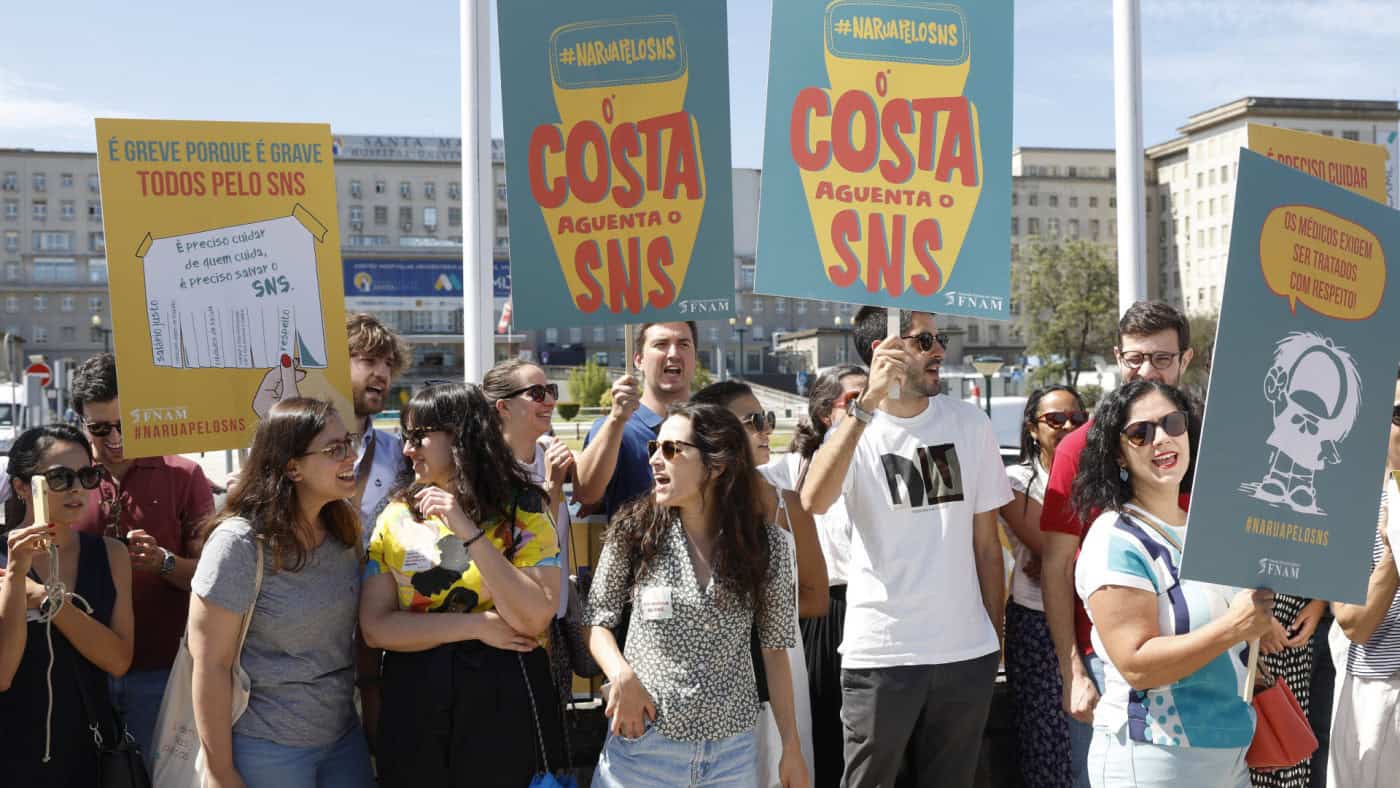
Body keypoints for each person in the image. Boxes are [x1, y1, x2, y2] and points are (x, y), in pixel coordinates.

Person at [801, 307, 1011, 788]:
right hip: (882, 654)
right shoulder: (853, 432)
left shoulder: (970, 424)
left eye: (939, 338)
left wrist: (993, 641)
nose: (939, 350)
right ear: (884, 352)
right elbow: (814, 500)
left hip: (966, 654)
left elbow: (986, 546)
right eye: (923, 341)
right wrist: (865, 405)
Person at [586, 402, 807, 788]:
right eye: (655, 447)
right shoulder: (634, 531)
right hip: (642, 749)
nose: (655, 459)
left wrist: (791, 746)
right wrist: (621, 675)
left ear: (717, 465)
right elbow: (597, 620)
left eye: (672, 450)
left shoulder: (765, 544)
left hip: (733, 757)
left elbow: (775, 649)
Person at [1072, 380, 1278, 787]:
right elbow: (1135, 664)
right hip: (1153, 756)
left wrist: (1258, 631)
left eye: (1172, 423)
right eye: (1140, 432)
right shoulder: (1114, 537)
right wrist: (1233, 627)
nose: (1161, 439)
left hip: (1231, 750)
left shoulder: (1207, 530)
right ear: (1118, 452)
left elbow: (1225, 630)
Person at [359, 383, 565, 788]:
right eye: (405, 437)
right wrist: (477, 626)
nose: (407, 449)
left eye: (419, 437)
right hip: (416, 699)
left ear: (461, 436)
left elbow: (534, 615)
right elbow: (375, 628)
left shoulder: (522, 508)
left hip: (504, 697)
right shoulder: (395, 517)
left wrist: (468, 531)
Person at [1040, 300, 1195, 786]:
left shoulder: (1208, 439)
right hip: (1110, 668)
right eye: (1134, 358)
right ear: (1116, 356)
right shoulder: (1076, 449)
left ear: (1185, 360)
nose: (1145, 369)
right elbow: (1056, 566)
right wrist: (1074, 673)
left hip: (1208, 659)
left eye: (1161, 359)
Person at [189, 398, 373, 788]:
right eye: (335, 449)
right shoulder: (238, 544)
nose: (352, 456)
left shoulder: (345, 532)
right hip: (265, 750)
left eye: (350, 442)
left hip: (343, 741)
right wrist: (221, 773)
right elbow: (210, 666)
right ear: (292, 467)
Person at [68, 351, 215, 760]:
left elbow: (212, 578)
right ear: (80, 422)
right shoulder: (65, 479)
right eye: (99, 429)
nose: (114, 440)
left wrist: (164, 563)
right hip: (81, 671)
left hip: (162, 670)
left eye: (125, 425)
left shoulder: (183, 474)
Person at [694, 380, 827, 786]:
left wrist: (756, 612)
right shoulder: (690, 509)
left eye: (766, 419)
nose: (766, 429)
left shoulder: (789, 504)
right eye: (753, 421)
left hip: (782, 666)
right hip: (710, 677)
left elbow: (818, 598)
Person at [0, 424, 135, 787]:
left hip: (88, 752)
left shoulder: (111, 554)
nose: (77, 489)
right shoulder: (5, 562)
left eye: (86, 475)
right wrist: (15, 577)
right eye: (60, 478)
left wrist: (48, 601)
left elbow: (119, 660)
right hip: (10, 755)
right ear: (22, 487)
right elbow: (2, 672)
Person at [782, 363, 867, 788]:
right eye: (854, 400)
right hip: (827, 612)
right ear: (823, 414)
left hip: (880, 610)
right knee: (829, 738)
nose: (870, 407)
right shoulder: (799, 466)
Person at [1002, 385, 1087, 787]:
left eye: (1076, 418)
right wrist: (1068, 557)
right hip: (1036, 626)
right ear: (1033, 429)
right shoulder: (1016, 481)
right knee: (1044, 739)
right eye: (1055, 419)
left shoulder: (1099, 479)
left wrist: (1063, 559)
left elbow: (1061, 556)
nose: (1067, 425)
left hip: (1090, 621)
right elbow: (1055, 549)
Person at [1325, 372, 1400, 788]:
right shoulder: (1351, 504)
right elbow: (1355, 623)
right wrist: (1394, 550)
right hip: (1377, 695)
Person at [342, 312, 409, 752]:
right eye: (367, 360)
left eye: (387, 364)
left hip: (376, 627)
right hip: (308, 629)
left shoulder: (398, 450)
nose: (381, 374)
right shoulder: (291, 443)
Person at [575, 321, 697, 519]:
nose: (673, 353)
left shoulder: (711, 428)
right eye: (661, 344)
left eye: (684, 344)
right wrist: (616, 419)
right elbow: (586, 495)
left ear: (695, 358)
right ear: (638, 360)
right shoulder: (616, 429)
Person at [483, 358, 576, 618]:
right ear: (504, 407)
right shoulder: (485, 469)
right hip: (511, 619)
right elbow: (524, 542)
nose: (549, 401)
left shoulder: (547, 449)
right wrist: (553, 486)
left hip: (554, 613)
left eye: (551, 391)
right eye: (537, 393)